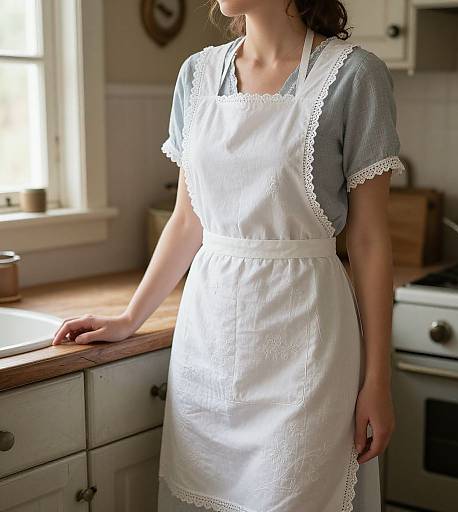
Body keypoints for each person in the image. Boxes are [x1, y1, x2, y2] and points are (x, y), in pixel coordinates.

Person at [52, 1, 405, 510]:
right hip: (211, 342)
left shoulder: (354, 76)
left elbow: (370, 242)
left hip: (306, 344)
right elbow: (187, 221)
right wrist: (130, 317)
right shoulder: (197, 74)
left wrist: (377, 381)